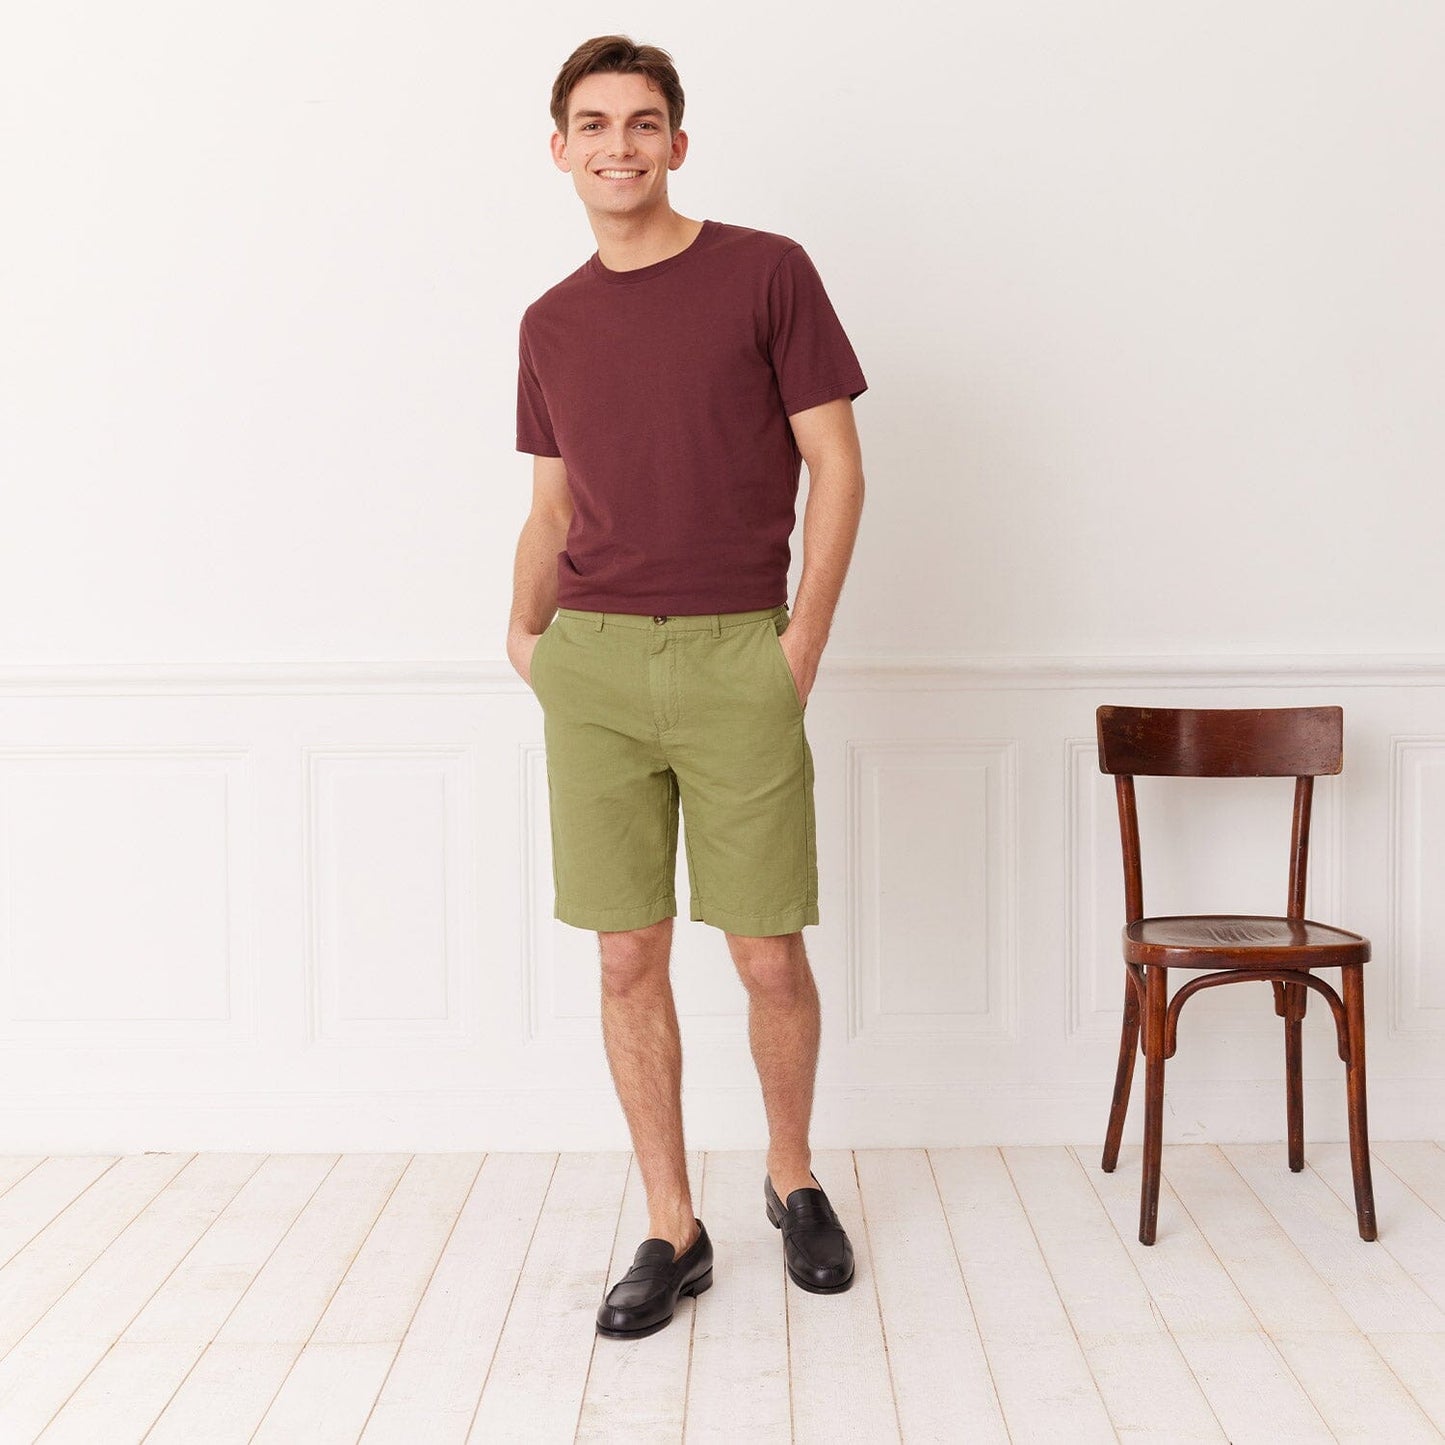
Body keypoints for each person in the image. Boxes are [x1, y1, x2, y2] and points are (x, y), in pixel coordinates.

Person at [507, 34, 868, 1341]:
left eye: (643, 122)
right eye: (596, 125)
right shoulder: (550, 321)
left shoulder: (766, 272)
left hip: (737, 655)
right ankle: (671, 1222)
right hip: (593, 660)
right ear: (561, 148)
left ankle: (793, 1177)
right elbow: (552, 504)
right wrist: (524, 634)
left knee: (766, 951)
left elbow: (838, 467)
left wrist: (798, 645)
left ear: (676, 141)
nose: (620, 145)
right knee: (625, 955)